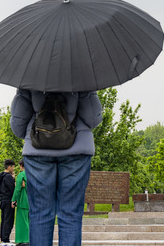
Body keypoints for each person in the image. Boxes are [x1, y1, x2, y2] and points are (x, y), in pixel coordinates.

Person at [10, 90, 103, 246]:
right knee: (71, 214)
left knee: (39, 214)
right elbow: (93, 119)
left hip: (38, 152)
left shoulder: (30, 75)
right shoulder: (83, 74)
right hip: (77, 151)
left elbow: (17, 126)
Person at [0, 159, 17, 246]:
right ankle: (6, 239)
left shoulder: (2, 176)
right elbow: (12, 189)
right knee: (8, 220)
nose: (13, 169)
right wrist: (14, 181)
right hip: (8, 200)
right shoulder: (8, 177)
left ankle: (3, 238)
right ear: (9, 167)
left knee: (4, 219)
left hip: (2, 200)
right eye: (13, 167)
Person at [11, 159, 30, 246]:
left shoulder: (21, 175)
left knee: (22, 221)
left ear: (22, 166)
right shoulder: (33, 175)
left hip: (23, 202)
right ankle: (30, 238)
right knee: (29, 221)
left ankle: (23, 239)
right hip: (32, 202)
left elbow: (17, 189)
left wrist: (14, 200)